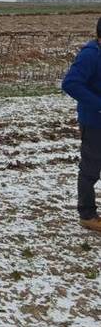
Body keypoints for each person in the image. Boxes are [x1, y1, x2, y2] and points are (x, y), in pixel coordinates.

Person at [62, 17, 101, 231]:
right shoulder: (90, 55)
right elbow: (70, 83)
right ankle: (87, 215)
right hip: (95, 122)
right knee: (90, 169)